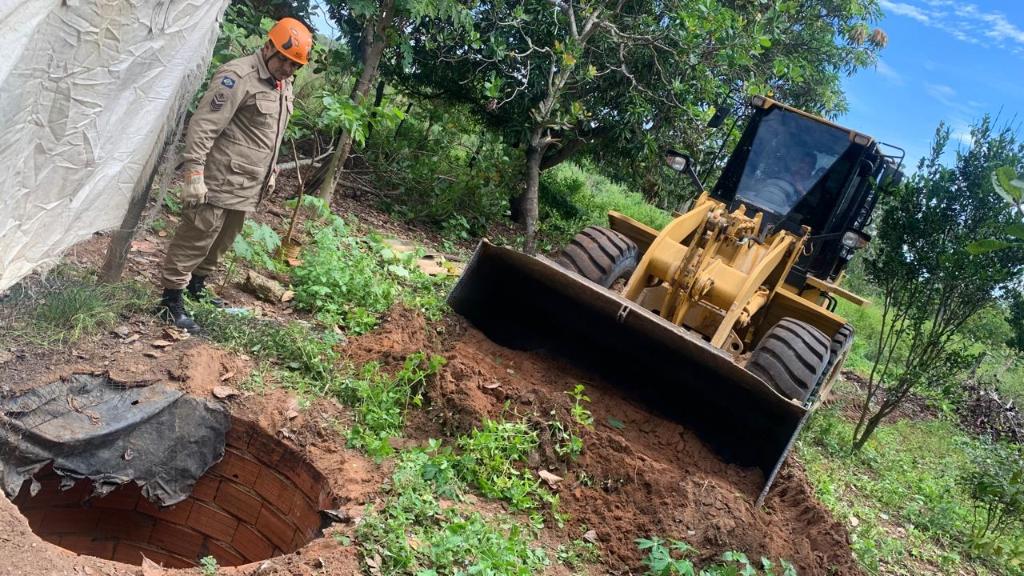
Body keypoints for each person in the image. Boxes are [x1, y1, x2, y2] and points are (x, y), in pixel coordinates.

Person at [157, 17, 312, 333]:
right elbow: (204, 125)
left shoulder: (282, 85)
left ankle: (196, 287)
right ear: (268, 46)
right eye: (283, 59)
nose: (287, 68)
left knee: (223, 239)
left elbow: (270, 135)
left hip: (247, 182)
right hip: (217, 177)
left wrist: (270, 174)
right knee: (197, 235)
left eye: (295, 65)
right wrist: (194, 172)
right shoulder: (238, 76)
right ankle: (170, 301)